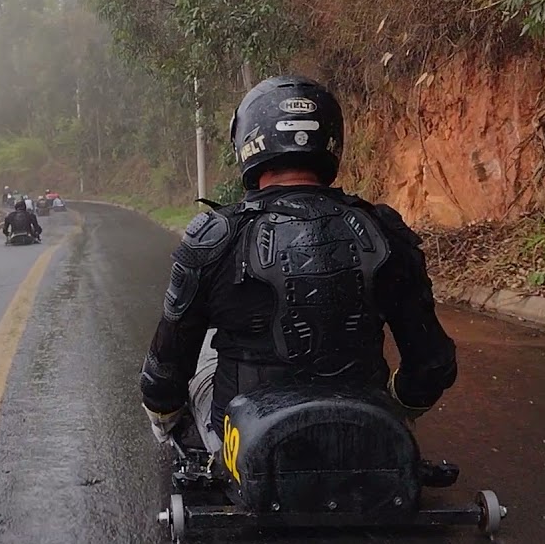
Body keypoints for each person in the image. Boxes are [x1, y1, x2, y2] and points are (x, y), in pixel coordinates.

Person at [139, 76, 458, 453]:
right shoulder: (384, 231)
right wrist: (395, 410)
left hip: (249, 447)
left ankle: (200, 457)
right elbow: (432, 364)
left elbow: (163, 376)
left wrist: (166, 418)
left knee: (202, 354)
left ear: (249, 141)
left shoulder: (214, 237)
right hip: (362, 434)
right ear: (331, 140)